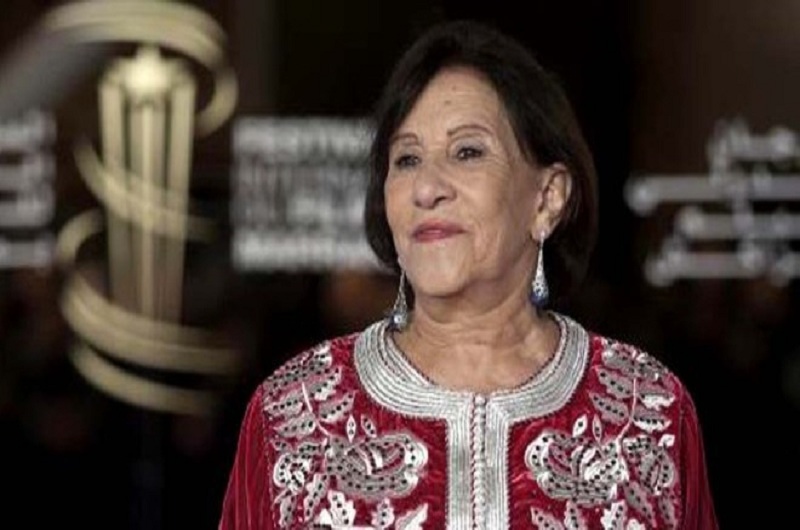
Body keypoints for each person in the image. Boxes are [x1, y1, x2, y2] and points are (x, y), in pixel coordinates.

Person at [218, 19, 719, 529]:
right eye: (406, 159)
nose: (427, 188)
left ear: (547, 197)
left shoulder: (649, 411)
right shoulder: (292, 414)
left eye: (467, 152)